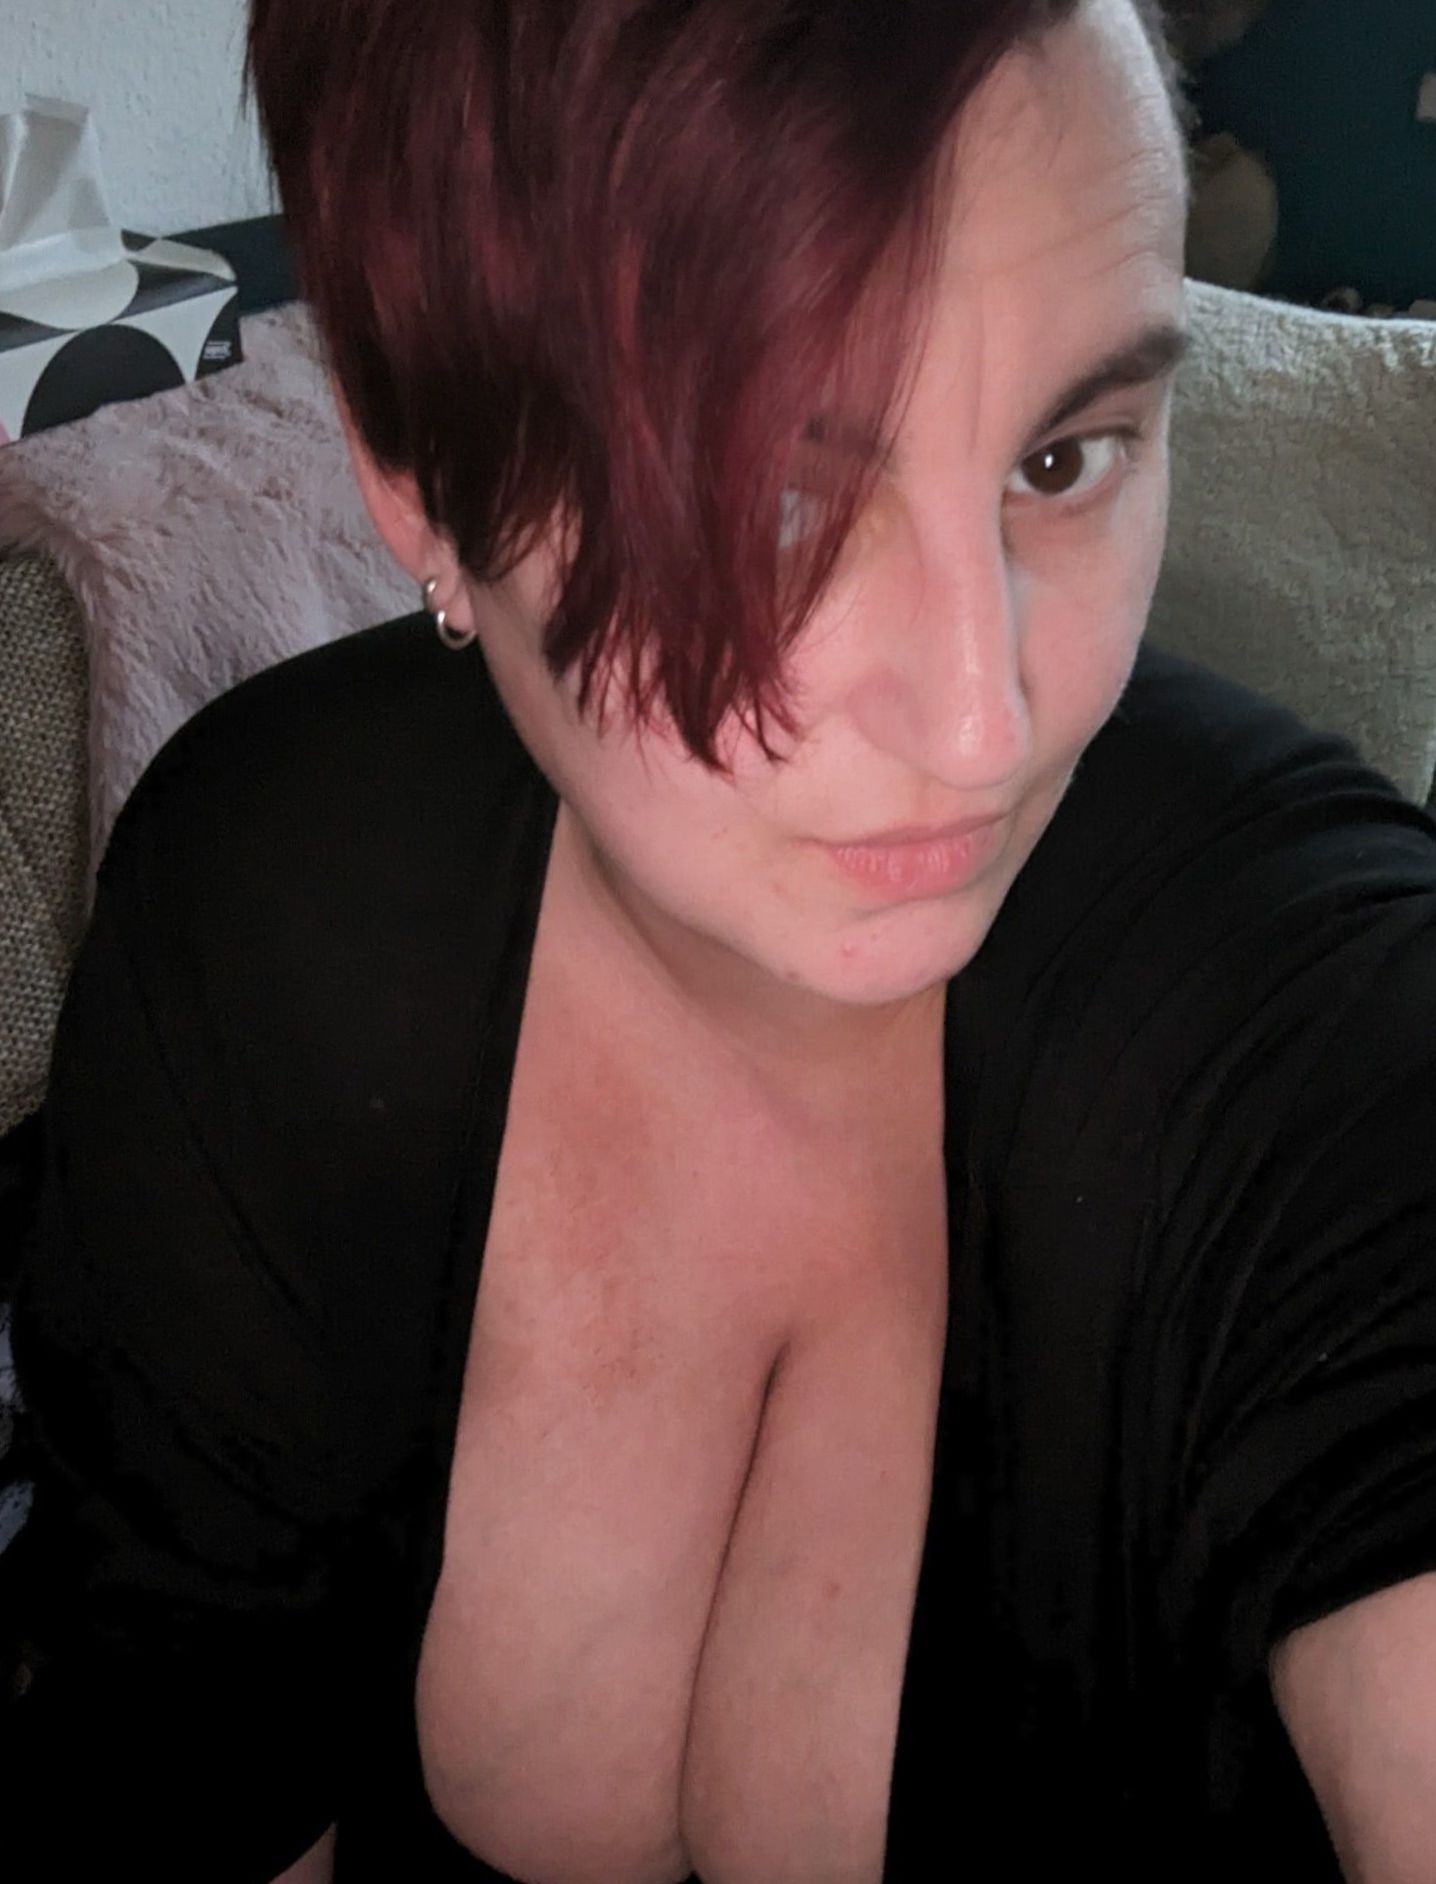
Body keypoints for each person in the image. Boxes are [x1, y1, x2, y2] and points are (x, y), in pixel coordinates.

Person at [4, 0, 1436, 1878]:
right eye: (772, 494)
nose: (988, 723)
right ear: (417, 472)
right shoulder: (265, 910)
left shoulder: (1303, 1014)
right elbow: (180, 1760)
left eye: (1065, 458)